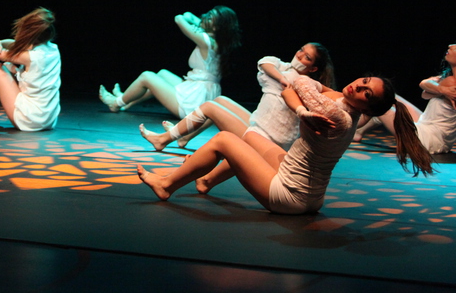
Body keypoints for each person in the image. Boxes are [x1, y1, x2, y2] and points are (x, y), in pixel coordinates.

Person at [138, 74, 434, 215]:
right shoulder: (342, 101)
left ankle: (166, 185)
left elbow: (298, 83)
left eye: (366, 93)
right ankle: (205, 180)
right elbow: (295, 87)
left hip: (290, 195)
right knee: (253, 140)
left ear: (366, 108)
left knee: (225, 139)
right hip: (309, 194)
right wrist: (302, 111)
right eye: (364, 81)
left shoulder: (339, 116)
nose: (358, 85)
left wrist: (300, 102)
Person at [142, 42, 335, 151]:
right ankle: (184, 138)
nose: (300, 56)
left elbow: (265, 66)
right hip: (261, 126)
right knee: (220, 101)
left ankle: (163, 139)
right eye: (301, 50)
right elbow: (265, 63)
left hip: (267, 139)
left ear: (313, 68)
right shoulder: (285, 70)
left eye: (307, 57)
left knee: (210, 108)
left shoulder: (302, 82)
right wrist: (281, 78)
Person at [99, 6, 242, 118]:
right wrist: (201, 25)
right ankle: (125, 101)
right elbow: (188, 15)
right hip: (199, 91)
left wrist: (197, 25)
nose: (205, 17)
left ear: (216, 27)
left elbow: (179, 18)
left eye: (210, 18)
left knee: (147, 77)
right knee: (162, 74)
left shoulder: (205, 40)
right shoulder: (218, 41)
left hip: (193, 102)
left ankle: (115, 103)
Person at [356, 44, 456, 154]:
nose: (450, 46)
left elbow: (426, 92)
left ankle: (349, 129)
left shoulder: (451, 81)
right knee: (392, 97)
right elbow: (424, 86)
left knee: (381, 102)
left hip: (427, 140)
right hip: (431, 132)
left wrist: (438, 89)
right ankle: (358, 132)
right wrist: (442, 89)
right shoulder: (447, 78)